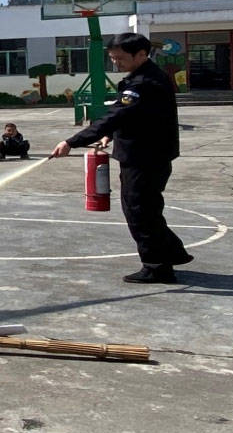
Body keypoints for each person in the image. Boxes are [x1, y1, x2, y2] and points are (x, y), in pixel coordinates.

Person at [52, 32, 192, 284]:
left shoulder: (143, 83)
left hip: (145, 157)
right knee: (146, 208)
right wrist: (110, 136)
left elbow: (117, 115)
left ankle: (156, 266)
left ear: (141, 54)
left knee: (139, 211)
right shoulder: (144, 77)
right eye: (112, 58)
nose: (116, 63)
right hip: (147, 154)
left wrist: (72, 142)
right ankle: (170, 253)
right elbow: (136, 117)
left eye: (120, 58)